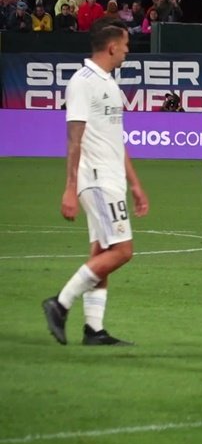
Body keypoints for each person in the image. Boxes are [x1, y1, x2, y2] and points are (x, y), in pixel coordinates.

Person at [42, 19, 148, 347]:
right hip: (97, 179)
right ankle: (60, 303)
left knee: (102, 250)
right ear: (112, 46)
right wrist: (70, 187)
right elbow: (75, 138)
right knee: (122, 251)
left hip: (112, 177)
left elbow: (116, 138)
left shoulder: (110, 85)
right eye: (126, 44)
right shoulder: (83, 82)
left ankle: (94, 330)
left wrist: (135, 183)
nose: (128, 50)